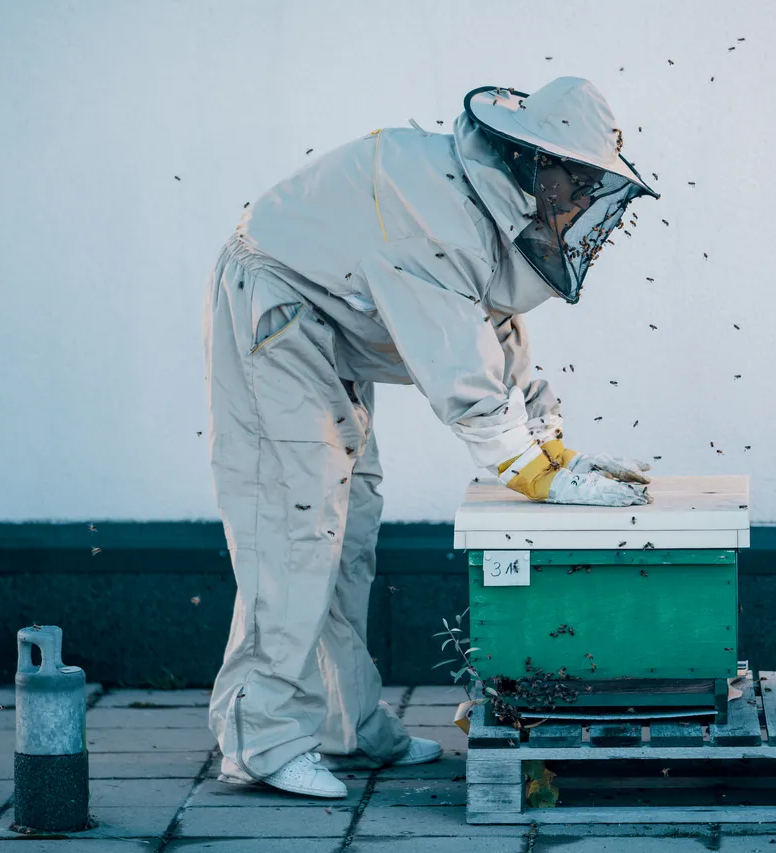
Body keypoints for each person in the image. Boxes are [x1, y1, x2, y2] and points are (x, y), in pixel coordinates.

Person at [202, 77, 659, 798]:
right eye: (576, 180)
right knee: (294, 523)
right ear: (538, 160)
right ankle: (258, 739)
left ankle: (341, 727)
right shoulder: (437, 212)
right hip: (277, 308)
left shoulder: (483, 207)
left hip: (324, 327)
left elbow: (494, 330)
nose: (577, 202)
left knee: (347, 527)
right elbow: (462, 374)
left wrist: (555, 444)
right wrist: (535, 472)